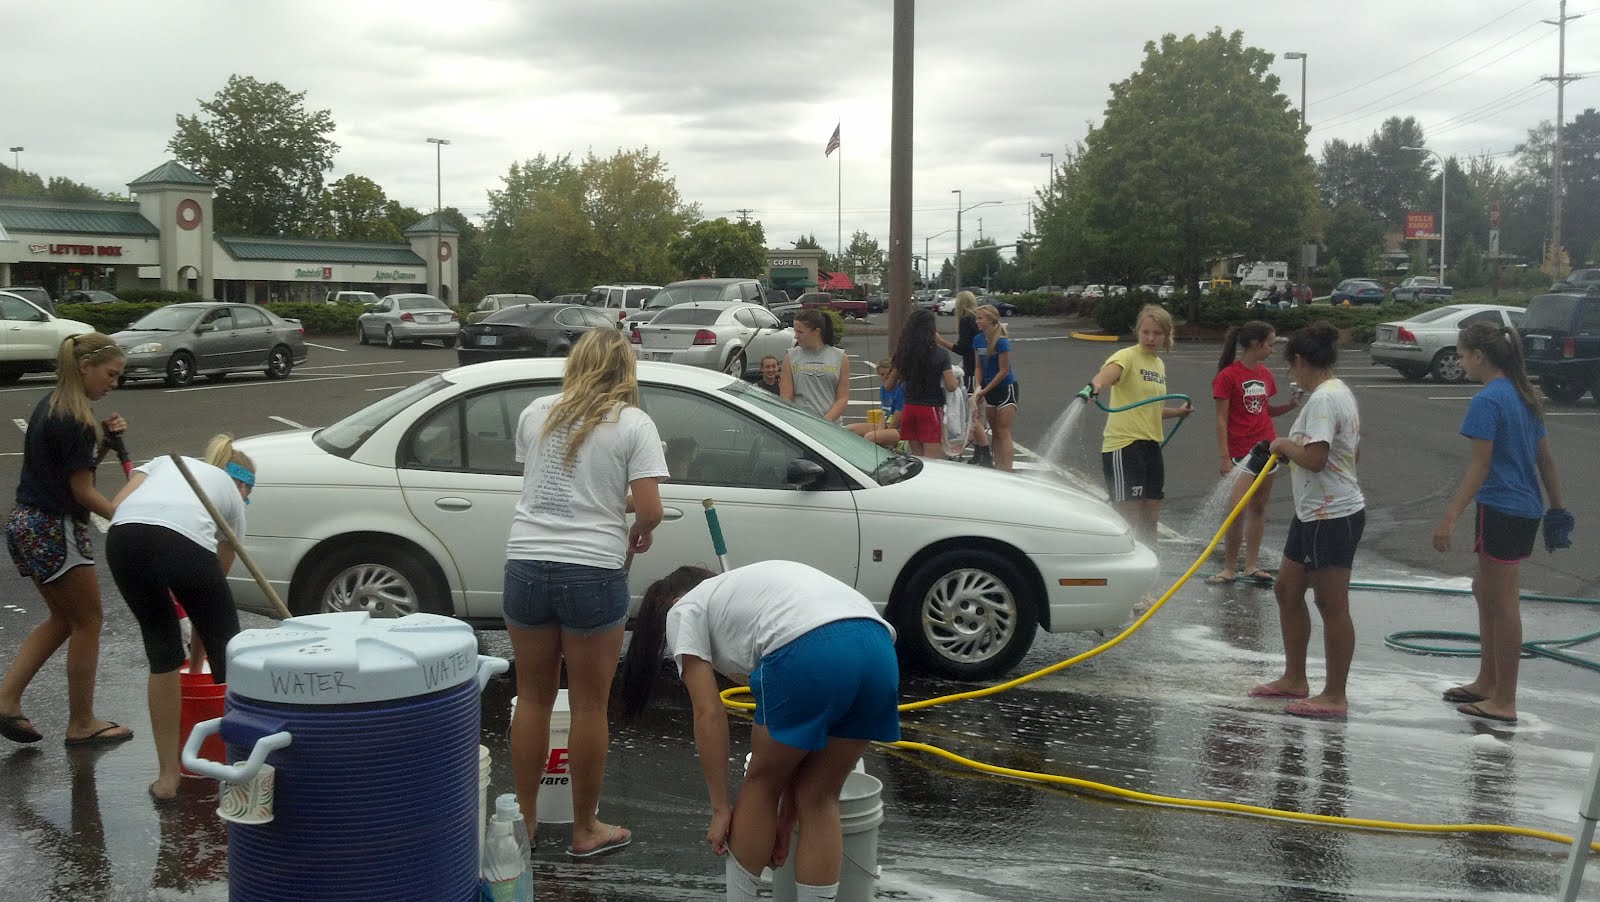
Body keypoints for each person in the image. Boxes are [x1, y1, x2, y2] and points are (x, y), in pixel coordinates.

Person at [619, 561, 900, 902]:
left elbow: (708, 713)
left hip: (808, 648)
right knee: (820, 795)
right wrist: (784, 820)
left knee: (762, 783)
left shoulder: (685, 608)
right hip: (879, 649)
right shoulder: (752, 590)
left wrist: (721, 808)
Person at [503, 327, 668, 857]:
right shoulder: (632, 423)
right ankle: (584, 828)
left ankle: (524, 824)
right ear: (625, 370)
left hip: (525, 562)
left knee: (532, 697)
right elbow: (650, 510)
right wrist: (640, 530)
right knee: (589, 707)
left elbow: (549, 485)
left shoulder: (537, 413)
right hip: (592, 571)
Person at [0, 333, 132, 748]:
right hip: (54, 527)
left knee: (63, 620)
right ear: (85, 368)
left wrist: (104, 444)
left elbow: (74, 472)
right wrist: (128, 518)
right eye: (110, 374)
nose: (113, 383)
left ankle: (5, 701)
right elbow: (82, 491)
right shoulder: (75, 420)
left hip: (26, 522)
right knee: (88, 622)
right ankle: (82, 722)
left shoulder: (51, 406)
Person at [1431, 322, 1567, 725]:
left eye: (1461, 352)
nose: (1459, 359)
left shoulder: (1488, 399)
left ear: (1479, 357)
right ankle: (1487, 681)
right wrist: (1557, 508)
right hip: (1522, 509)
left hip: (1503, 508)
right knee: (1484, 590)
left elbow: (1481, 464)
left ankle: (1504, 699)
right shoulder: (1524, 394)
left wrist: (1450, 516)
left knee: (1503, 603)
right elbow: (1545, 459)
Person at [105, 435, 254, 802]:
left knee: (162, 653)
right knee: (230, 654)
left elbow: (117, 505)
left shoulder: (163, 462)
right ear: (242, 484)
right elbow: (211, 608)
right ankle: (244, 768)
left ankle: (168, 778)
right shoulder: (232, 501)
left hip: (124, 537)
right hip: (183, 542)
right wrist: (206, 661)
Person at [1251, 323, 1364, 720]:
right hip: (1313, 512)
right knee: (1286, 589)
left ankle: (1334, 695)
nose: (1291, 375)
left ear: (1299, 361)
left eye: (1290, 367)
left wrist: (1283, 445)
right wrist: (1293, 450)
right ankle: (1294, 678)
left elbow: (1316, 457)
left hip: (1331, 515)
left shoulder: (1322, 401)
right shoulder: (1337, 392)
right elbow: (1343, 454)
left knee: (1331, 604)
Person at [1084, 305, 1192, 547]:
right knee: (1128, 516)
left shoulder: (1157, 365)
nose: (1151, 338)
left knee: (1150, 516)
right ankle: (1122, 568)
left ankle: (1148, 572)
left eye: (1157, 333)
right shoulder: (1127, 356)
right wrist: (1095, 386)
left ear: (1166, 335)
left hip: (1150, 445)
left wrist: (1177, 412)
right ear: (1138, 332)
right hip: (1124, 445)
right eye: (1146, 332)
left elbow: (1148, 408)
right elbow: (1107, 375)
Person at [1209, 321, 1298, 585]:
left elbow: (1263, 410)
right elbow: (1221, 419)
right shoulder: (1228, 376)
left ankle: (1251, 565)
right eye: (1269, 344)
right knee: (1237, 508)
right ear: (1255, 344)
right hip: (1240, 452)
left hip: (1267, 449)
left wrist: (1289, 406)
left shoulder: (1265, 375)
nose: (1272, 349)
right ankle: (1228, 567)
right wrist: (1224, 456)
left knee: (1259, 507)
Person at [888, 311, 957, 459]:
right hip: (930, 408)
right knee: (932, 460)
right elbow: (951, 385)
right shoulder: (940, 354)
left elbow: (889, 385)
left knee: (918, 457)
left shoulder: (903, 353)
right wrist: (958, 379)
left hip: (909, 408)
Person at [936, 291, 992, 466]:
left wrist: (939, 341)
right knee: (979, 415)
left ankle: (984, 453)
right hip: (983, 371)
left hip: (971, 372)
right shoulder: (977, 320)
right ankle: (980, 453)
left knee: (973, 416)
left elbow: (962, 348)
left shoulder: (966, 320)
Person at [780, 310, 849, 421]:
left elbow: (842, 398)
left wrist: (825, 421)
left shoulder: (840, 357)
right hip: (802, 423)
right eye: (795, 331)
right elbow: (786, 397)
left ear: (816, 332)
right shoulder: (790, 357)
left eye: (800, 332)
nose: (796, 336)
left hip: (831, 425)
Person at [846, 357, 902, 449]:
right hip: (887, 426)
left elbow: (897, 419)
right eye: (882, 374)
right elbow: (884, 414)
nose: (885, 377)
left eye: (888, 374)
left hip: (899, 430)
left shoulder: (900, 389)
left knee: (870, 437)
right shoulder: (883, 389)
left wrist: (881, 434)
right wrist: (880, 430)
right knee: (849, 429)